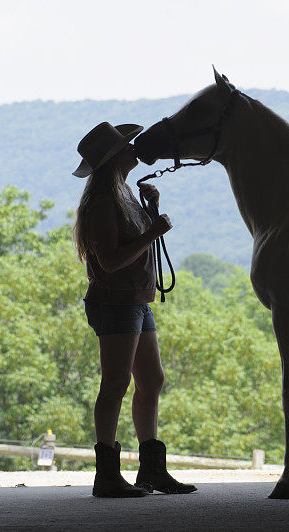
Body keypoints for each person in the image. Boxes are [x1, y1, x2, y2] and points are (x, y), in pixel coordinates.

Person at [72, 122, 197, 498]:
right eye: (128, 145)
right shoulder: (104, 202)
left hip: (136, 301)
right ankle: (107, 476)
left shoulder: (122, 193)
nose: (134, 148)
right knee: (115, 384)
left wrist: (150, 212)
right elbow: (109, 262)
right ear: (115, 158)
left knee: (151, 380)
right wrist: (152, 232)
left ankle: (151, 470)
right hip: (117, 301)